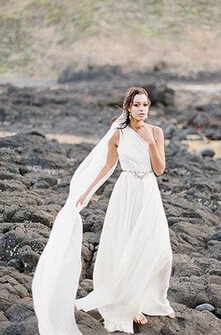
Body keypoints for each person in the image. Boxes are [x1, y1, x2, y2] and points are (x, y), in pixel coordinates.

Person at [32, 86, 175, 335]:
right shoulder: (118, 135)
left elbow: (160, 169)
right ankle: (131, 306)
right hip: (126, 191)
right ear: (128, 108)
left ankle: (153, 300)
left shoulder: (156, 132)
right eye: (137, 105)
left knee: (159, 249)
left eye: (146, 105)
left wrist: (151, 143)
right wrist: (86, 192)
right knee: (127, 247)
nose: (142, 109)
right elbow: (107, 167)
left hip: (148, 192)